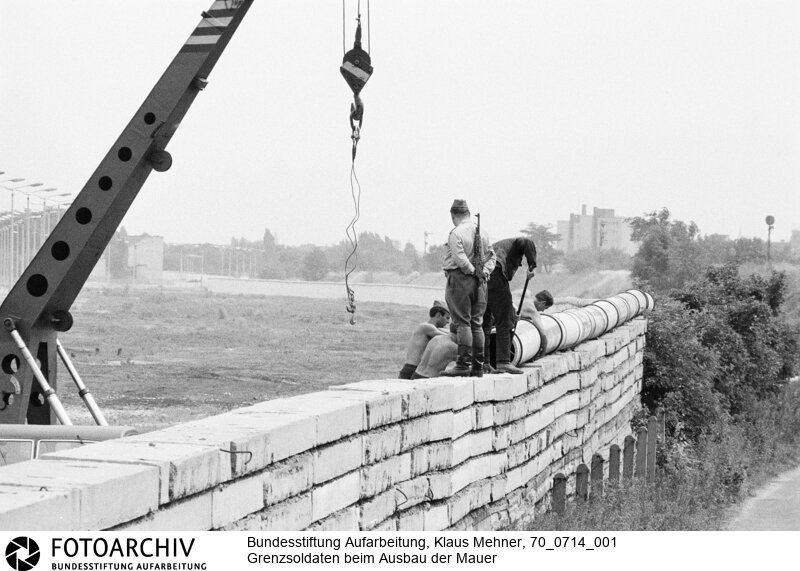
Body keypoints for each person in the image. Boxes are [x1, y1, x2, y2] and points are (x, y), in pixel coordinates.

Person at [441, 199, 496, 377]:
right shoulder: (484, 232)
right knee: (477, 323)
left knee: (462, 322)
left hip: (460, 279)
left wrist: (473, 271)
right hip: (481, 283)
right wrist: (484, 273)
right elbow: (492, 257)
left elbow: (460, 259)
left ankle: (463, 364)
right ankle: (478, 367)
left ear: (452, 215)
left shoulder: (456, 233)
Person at [482, 237, 537, 374]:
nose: (517, 266)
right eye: (519, 263)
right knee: (505, 321)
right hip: (495, 274)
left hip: (482, 278)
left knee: (485, 322)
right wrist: (531, 265)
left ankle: (484, 362)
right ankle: (503, 362)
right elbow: (526, 242)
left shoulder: (498, 245)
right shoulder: (517, 243)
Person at [398, 301, 451, 379]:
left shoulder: (434, 328)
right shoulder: (426, 327)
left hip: (417, 369)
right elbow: (450, 336)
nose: (448, 322)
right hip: (412, 368)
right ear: (439, 315)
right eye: (447, 318)